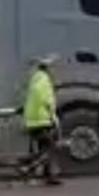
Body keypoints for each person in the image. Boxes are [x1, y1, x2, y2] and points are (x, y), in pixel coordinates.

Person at [22, 55, 62, 185]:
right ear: (48, 69)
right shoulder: (44, 80)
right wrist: (53, 116)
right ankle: (29, 168)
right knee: (51, 148)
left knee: (43, 148)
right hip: (42, 119)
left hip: (33, 120)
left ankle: (48, 175)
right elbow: (46, 99)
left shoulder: (34, 79)